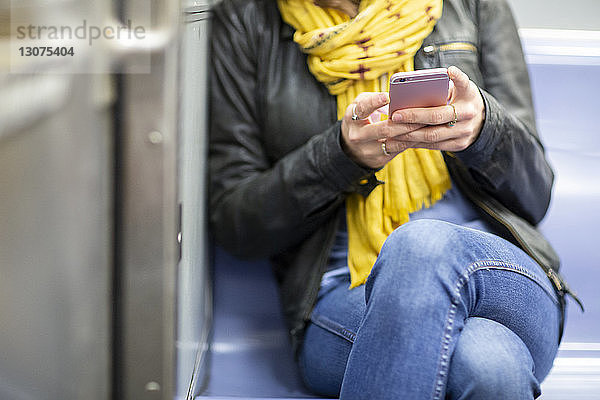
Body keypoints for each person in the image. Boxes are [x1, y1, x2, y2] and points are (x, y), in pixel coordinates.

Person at [208, 0, 580, 398]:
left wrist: (484, 130)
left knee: (420, 244)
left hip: (497, 273)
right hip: (344, 293)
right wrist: (340, 157)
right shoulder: (245, 18)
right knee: (489, 369)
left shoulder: (471, 4)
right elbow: (237, 224)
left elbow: (536, 195)